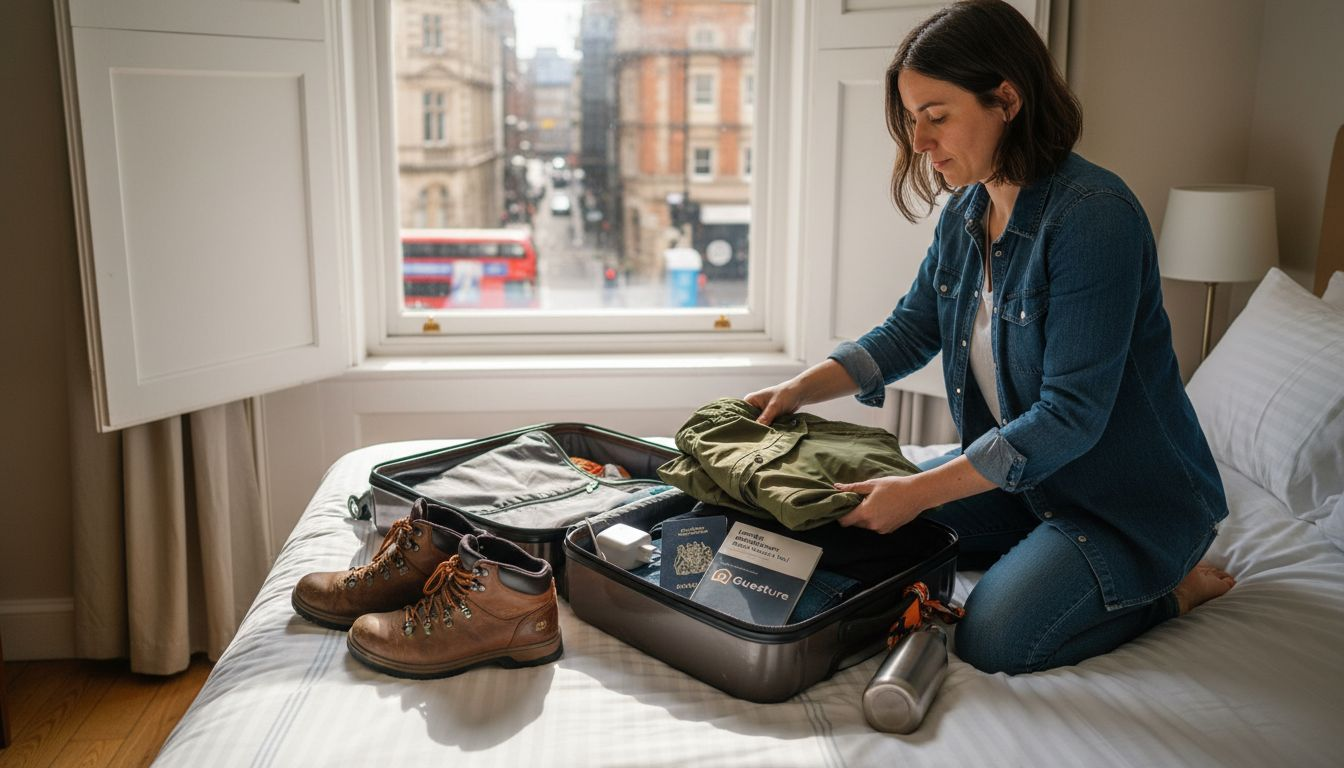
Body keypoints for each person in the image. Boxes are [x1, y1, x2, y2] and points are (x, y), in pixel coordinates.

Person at [744, 0, 1235, 675]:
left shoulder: (1094, 219)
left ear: (1006, 99)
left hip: (1123, 506)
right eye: (912, 119)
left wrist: (920, 490)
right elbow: (910, 330)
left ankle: (1170, 594)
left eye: (936, 116)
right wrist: (798, 390)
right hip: (1025, 485)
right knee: (840, 534)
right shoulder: (967, 212)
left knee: (994, 639)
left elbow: (1070, 416)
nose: (919, 141)